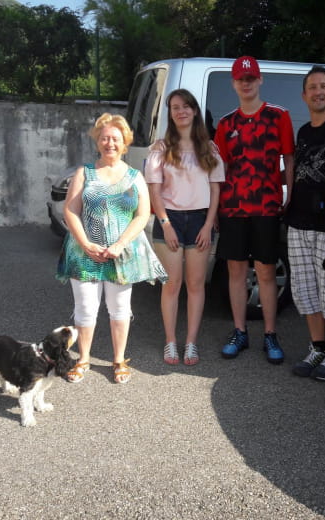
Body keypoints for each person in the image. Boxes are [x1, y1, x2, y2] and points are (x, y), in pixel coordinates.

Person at [57, 113, 167, 384]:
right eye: (104, 138)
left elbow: (142, 216)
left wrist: (119, 244)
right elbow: (70, 211)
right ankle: (83, 359)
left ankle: (119, 360)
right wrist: (86, 243)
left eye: (115, 138)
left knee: (119, 309)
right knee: (85, 309)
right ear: (98, 141)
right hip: (85, 254)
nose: (110, 143)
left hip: (121, 254)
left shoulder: (134, 176)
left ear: (125, 142)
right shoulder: (84, 173)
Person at [214, 56, 295, 364]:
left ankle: (270, 334)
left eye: (251, 78)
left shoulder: (279, 116)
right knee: (235, 272)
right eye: (240, 79)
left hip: (266, 206)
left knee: (265, 271)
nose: (245, 83)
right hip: (233, 207)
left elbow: (288, 159)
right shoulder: (226, 124)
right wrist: (216, 208)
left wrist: (291, 196)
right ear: (234, 83)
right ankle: (239, 331)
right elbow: (218, 169)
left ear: (259, 80)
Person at [145, 89, 225, 365]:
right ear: (170, 113)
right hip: (170, 220)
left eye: (186, 106)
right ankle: (171, 342)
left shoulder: (209, 148)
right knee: (172, 284)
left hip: (200, 220)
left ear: (194, 111)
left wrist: (208, 224)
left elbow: (215, 190)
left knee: (195, 285)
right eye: (175, 107)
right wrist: (165, 224)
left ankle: (191, 342)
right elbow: (154, 192)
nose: (181, 111)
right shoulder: (161, 149)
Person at [286, 66, 325, 380]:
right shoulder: (303, 132)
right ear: (304, 95)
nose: (318, 92)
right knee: (304, 290)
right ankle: (317, 348)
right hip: (298, 223)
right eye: (312, 87)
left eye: (324, 86)